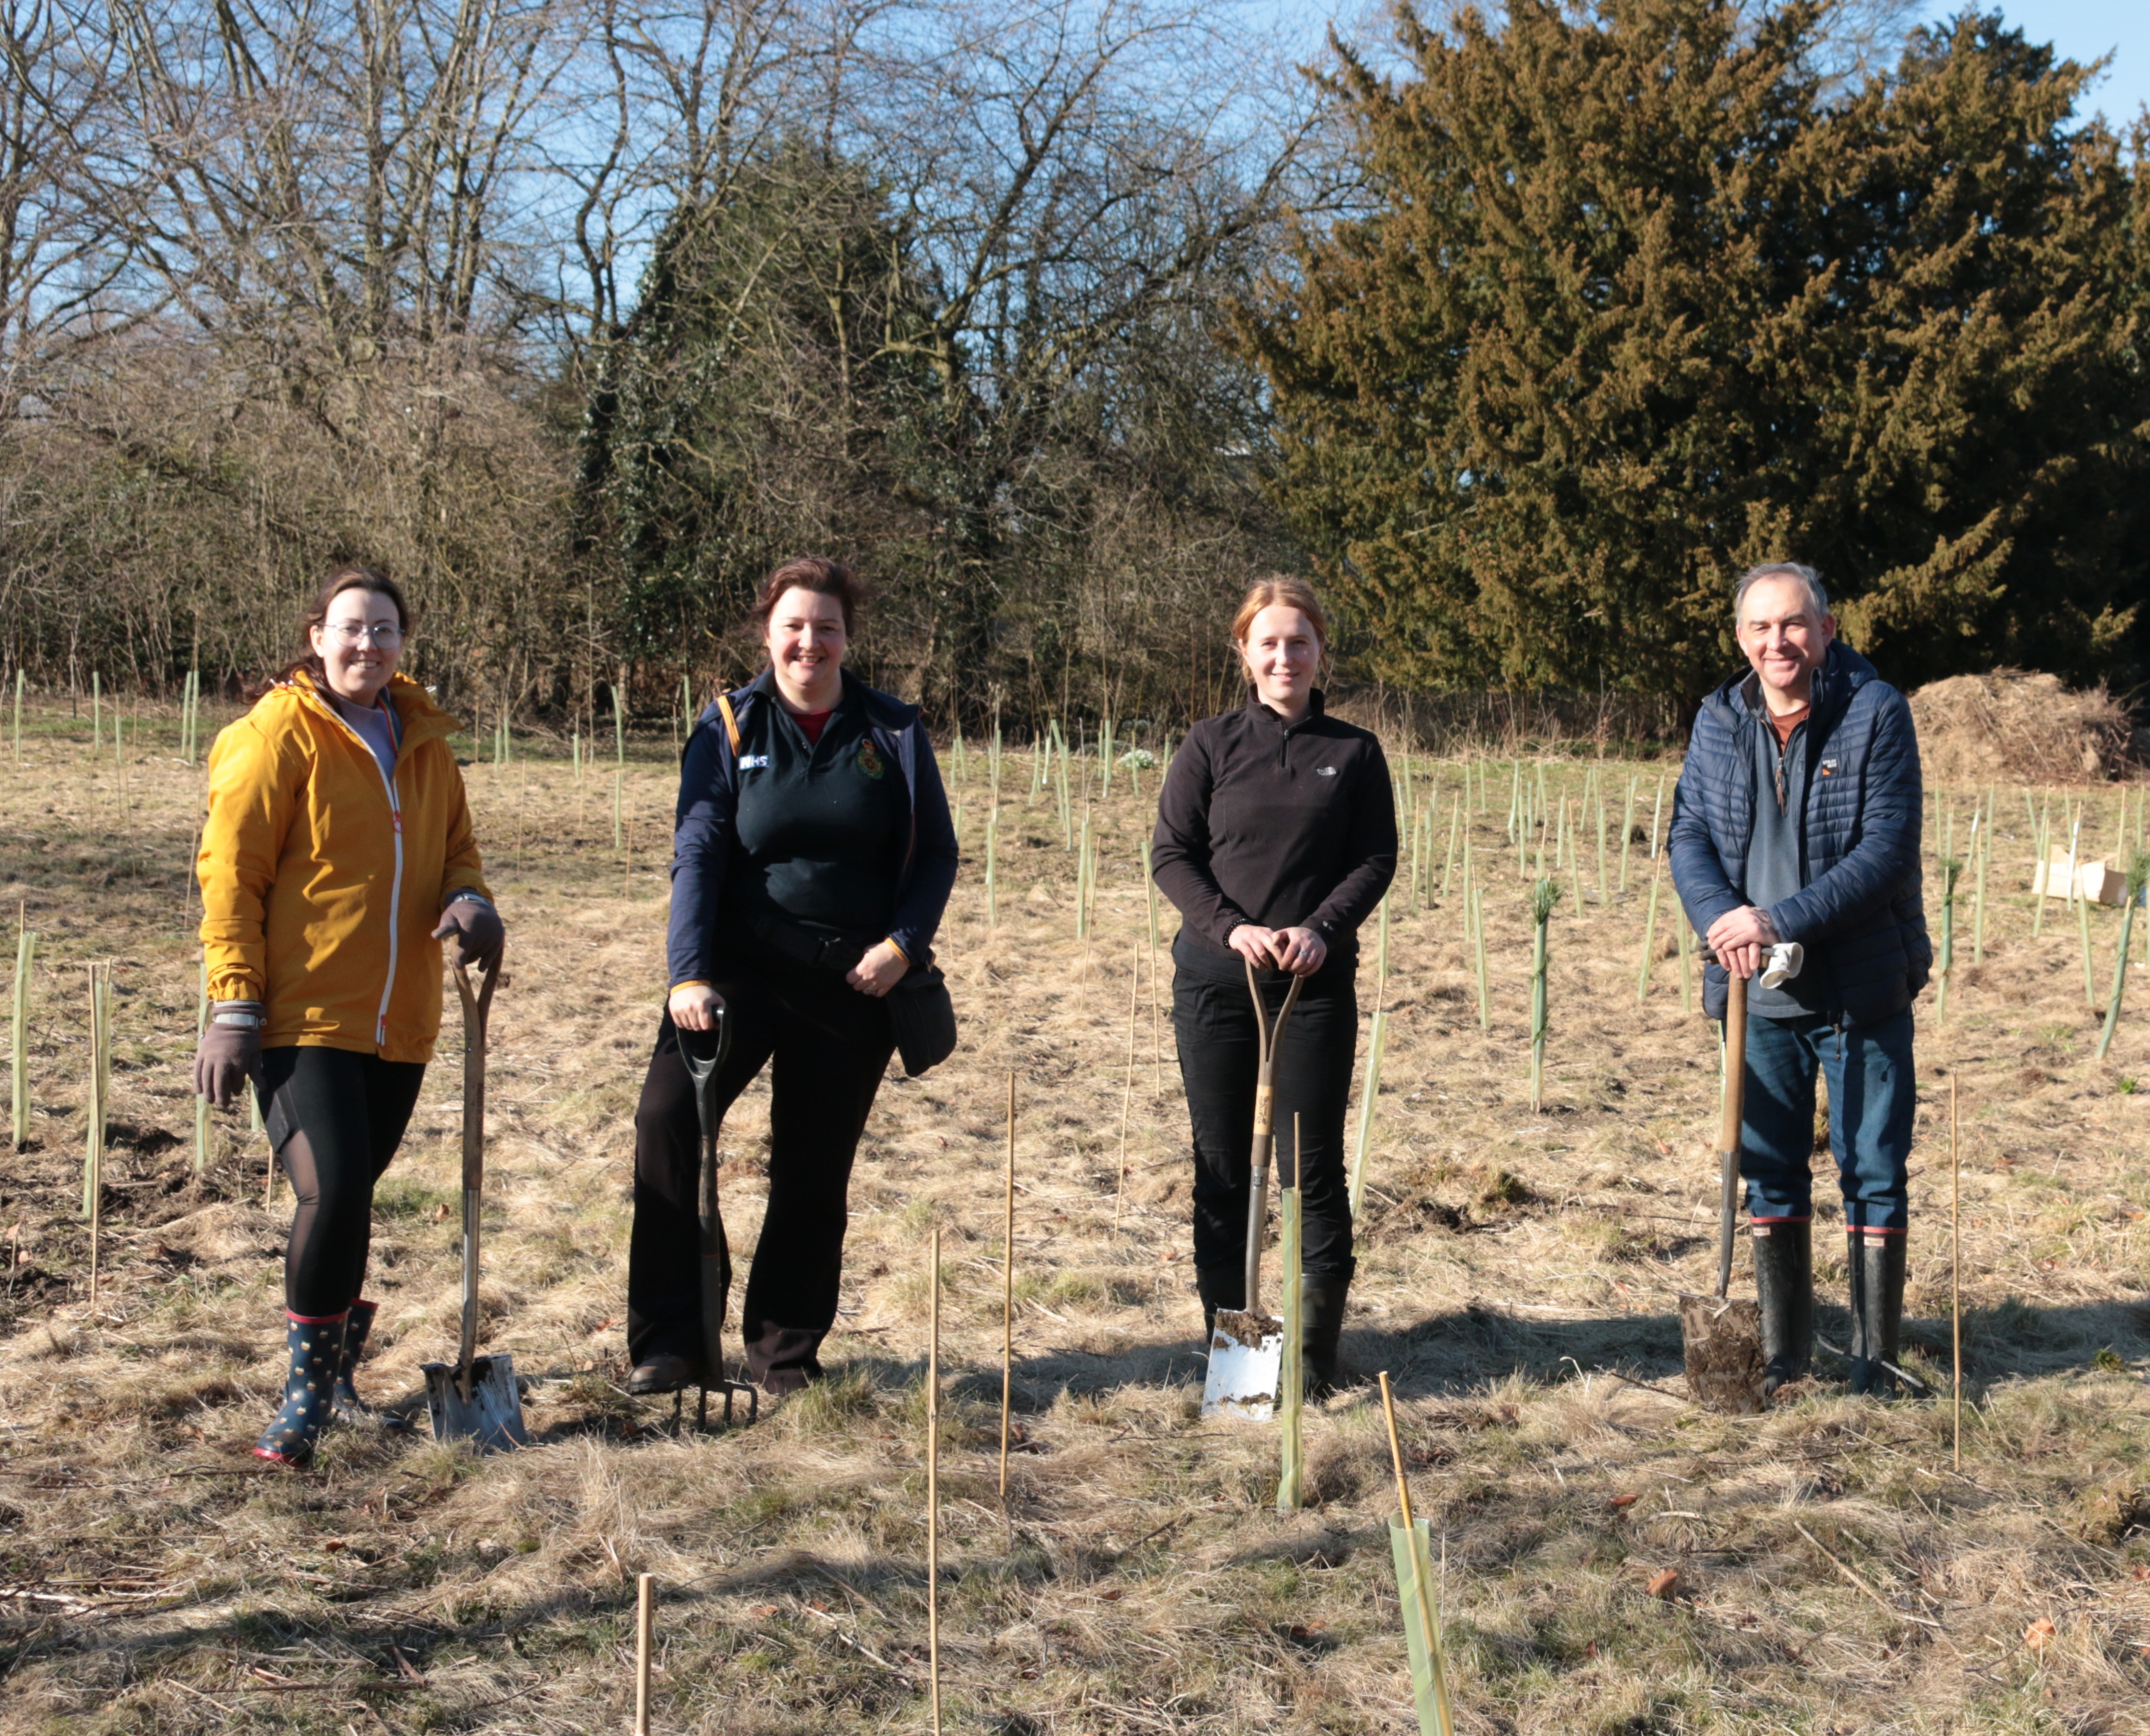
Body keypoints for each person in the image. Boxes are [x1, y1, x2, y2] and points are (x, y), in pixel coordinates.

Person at [194, 565, 505, 1465]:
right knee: (328, 1192)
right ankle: (305, 1396)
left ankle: (336, 1380)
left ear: (404, 643)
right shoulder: (273, 738)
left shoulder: (425, 744)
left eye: (385, 631)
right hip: (300, 1017)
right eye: (351, 628)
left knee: (355, 1199)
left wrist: (473, 901)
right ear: (317, 636)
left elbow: (459, 851)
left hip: (400, 1019)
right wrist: (234, 1003)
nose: (368, 645)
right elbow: (230, 875)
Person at [628, 557, 958, 1397]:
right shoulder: (729, 726)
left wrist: (903, 946)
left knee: (813, 1174)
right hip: (734, 976)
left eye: (827, 627)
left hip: (853, 985)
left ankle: (783, 1357)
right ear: (767, 633)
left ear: (848, 636)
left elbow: (936, 855)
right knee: (667, 1122)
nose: (810, 642)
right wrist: (688, 973)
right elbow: (698, 848)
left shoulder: (892, 731)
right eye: (794, 626)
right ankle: (670, 1341)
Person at [1669, 561, 1930, 1399]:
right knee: (1769, 1167)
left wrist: (1778, 919)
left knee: (1872, 1168)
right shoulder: (1718, 718)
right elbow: (1689, 835)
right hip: (1755, 990)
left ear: (1824, 630)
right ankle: (1784, 1357)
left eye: (1791, 625)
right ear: (1740, 638)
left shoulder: (1875, 712)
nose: (1775, 642)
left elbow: (1885, 851)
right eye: (1758, 628)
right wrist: (1723, 920)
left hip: (1858, 986)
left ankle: (1874, 1360)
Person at [1150, 577, 1396, 1394]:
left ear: (1321, 651)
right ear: (1245, 654)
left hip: (1310, 992)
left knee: (1310, 1172)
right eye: (1268, 643)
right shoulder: (1210, 744)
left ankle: (1314, 1368)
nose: (1283, 656)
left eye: (1299, 642)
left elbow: (1373, 859)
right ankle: (1241, 1373)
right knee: (1223, 1170)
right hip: (1219, 988)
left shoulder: (1355, 752)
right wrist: (1232, 929)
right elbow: (1172, 855)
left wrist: (1319, 931)